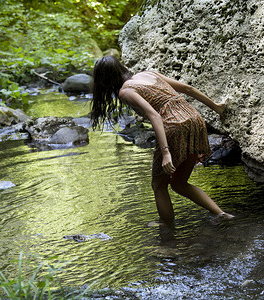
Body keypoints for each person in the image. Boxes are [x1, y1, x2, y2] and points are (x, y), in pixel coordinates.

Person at [90, 56, 234, 225]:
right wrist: (216, 107)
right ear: (121, 68)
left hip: (173, 127)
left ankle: (166, 231)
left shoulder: (125, 91)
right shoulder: (149, 74)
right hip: (194, 119)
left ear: (104, 81)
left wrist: (166, 153)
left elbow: (154, 116)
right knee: (179, 183)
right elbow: (188, 89)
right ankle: (221, 214)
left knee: (158, 185)